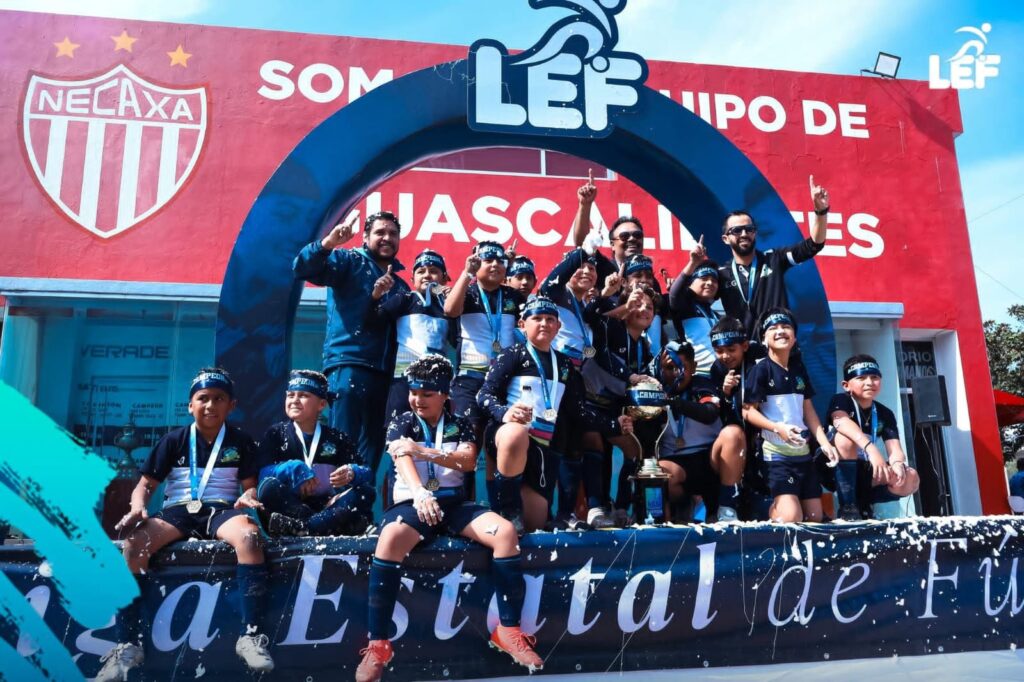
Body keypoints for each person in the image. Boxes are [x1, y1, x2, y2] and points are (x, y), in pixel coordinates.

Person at [355, 356, 542, 681]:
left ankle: (508, 630)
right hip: (412, 503)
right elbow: (401, 457)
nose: (418, 399)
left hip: (454, 504)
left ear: (444, 394)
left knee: (505, 532)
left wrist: (424, 451)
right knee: (390, 539)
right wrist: (420, 493)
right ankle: (378, 644)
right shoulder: (402, 421)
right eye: (414, 392)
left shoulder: (461, 423)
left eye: (427, 393)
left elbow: (467, 461)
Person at [99, 369, 273, 681]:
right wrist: (138, 507)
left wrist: (249, 496)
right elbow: (145, 485)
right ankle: (127, 645)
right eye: (203, 398)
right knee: (134, 546)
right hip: (178, 511)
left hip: (220, 510)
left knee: (249, 537)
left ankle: (250, 636)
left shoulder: (241, 441)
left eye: (218, 398)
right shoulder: (173, 440)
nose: (210, 405)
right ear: (190, 406)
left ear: (231, 405)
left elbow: (250, 487)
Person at [477, 295, 632, 533]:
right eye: (537, 318)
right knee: (515, 434)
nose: (544, 324)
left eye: (550, 319)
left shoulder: (565, 365)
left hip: (541, 449)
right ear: (522, 324)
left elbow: (579, 411)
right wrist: (505, 413)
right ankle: (508, 509)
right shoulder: (513, 354)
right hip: (508, 437)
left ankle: (522, 508)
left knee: (535, 524)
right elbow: (484, 395)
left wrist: (614, 424)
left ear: (558, 326)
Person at [293, 210, 410, 472]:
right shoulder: (348, 261)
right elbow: (302, 268)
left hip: (385, 376)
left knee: (371, 454)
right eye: (380, 232)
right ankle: (337, 498)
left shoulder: (401, 286)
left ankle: (362, 499)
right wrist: (329, 243)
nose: (387, 238)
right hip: (349, 365)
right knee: (341, 448)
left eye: (393, 233)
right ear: (365, 237)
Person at [742, 309, 838, 522]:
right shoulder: (760, 369)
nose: (780, 331)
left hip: (803, 454)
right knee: (791, 517)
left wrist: (825, 443)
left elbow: (808, 410)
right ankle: (763, 510)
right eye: (773, 328)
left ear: (794, 337)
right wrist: (778, 428)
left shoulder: (799, 369)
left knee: (814, 517)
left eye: (786, 327)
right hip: (775, 455)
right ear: (764, 338)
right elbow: (747, 411)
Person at [254, 370, 375, 536]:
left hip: (327, 507)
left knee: (365, 492)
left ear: (321, 404)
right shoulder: (275, 434)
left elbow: (367, 473)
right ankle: (318, 526)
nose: (294, 400)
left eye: (303, 395)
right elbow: (262, 475)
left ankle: (306, 528)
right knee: (268, 488)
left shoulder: (336, 438)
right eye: (290, 395)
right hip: (290, 508)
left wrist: (353, 472)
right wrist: (292, 468)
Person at [576, 285, 652, 527]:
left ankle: (620, 507)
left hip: (613, 409)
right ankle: (595, 508)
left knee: (634, 449)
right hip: (587, 403)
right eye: (638, 304)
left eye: (649, 307)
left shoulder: (644, 346)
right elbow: (593, 328)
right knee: (593, 442)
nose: (644, 310)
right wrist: (629, 376)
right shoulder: (610, 327)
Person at [717, 176, 830, 336]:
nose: (744, 234)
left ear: (755, 233)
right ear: (725, 239)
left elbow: (813, 245)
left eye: (749, 229)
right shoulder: (722, 274)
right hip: (743, 349)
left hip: (776, 344)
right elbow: (692, 300)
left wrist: (821, 212)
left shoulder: (774, 259)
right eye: (736, 230)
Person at [655, 341, 745, 522]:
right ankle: (677, 511)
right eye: (670, 368)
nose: (677, 373)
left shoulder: (703, 385)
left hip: (711, 460)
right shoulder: (655, 390)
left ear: (694, 367)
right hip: (677, 462)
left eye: (682, 367)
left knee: (733, 434)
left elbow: (709, 413)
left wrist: (673, 402)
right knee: (659, 472)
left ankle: (727, 508)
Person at [826, 355, 920, 520]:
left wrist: (897, 464)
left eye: (874, 377)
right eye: (861, 378)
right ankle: (848, 507)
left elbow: (895, 449)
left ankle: (864, 505)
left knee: (910, 477)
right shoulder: (841, 400)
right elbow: (841, 422)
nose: (869, 382)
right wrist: (872, 449)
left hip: (865, 469)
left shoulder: (884, 412)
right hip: (831, 469)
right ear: (846, 385)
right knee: (844, 439)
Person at [444, 241, 525, 433]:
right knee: (469, 435)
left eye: (500, 261)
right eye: (488, 260)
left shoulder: (513, 295)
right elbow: (450, 310)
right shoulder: (468, 292)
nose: (495, 264)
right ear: (476, 263)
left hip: (504, 380)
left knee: (499, 436)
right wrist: (467, 273)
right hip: (470, 379)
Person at [374, 249, 457, 423]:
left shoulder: (447, 307)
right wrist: (376, 295)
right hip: (404, 379)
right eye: (421, 271)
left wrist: (453, 306)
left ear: (444, 279)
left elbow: (456, 341)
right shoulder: (405, 299)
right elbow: (373, 321)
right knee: (398, 430)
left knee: (436, 430)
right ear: (412, 279)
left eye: (433, 271)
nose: (427, 275)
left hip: (437, 381)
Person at [669, 237, 720, 375]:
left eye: (714, 280)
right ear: (690, 283)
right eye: (704, 278)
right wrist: (693, 263)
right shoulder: (685, 307)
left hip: (720, 376)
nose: (710, 283)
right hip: (697, 375)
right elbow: (674, 294)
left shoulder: (716, 315)